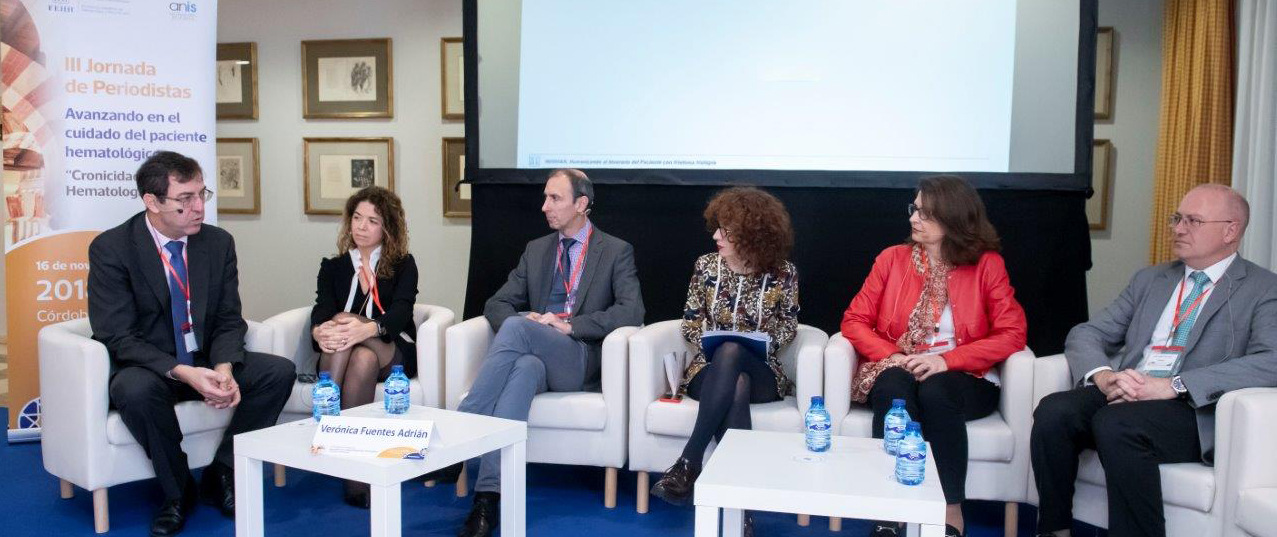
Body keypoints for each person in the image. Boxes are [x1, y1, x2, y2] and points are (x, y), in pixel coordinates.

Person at [1031, 184, 1277, 537]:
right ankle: (1055, 530)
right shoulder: (1151, 279)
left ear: (1230, 231)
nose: (1179, 229)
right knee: (1054, 411)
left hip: (1192, 409)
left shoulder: (1264, 288)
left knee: (1117, 423)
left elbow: (1271, 360)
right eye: (1177, 218)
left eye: (1193, 221)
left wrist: (1173, 385)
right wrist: (1104, 376)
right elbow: (1087, 333)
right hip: (1129, 390)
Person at [88, 151, 295, 537]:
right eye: (185, 199)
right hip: (153, 366)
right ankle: (178, 491)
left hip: (205, 358)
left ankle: (222, 473)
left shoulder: (217, 243)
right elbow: (117, 335)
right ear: (152, 202)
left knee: (277, 372)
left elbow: (229, 318)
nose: (199, 207)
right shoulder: (113, 249)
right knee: (133, 390)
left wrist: (223, 367)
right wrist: (183, 372)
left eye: (202, 194)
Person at [429, 168, 645, 537]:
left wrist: (570, 325)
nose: (545, 206)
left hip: (579, 357)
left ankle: (459, 431)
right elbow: (496, 303)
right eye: (545, 197)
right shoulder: (537, 249)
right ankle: (487, 500)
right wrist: (528, 320)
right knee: (524, 366)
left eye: (554, 198)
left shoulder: (615, 251)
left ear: (582, 204)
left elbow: (632, 311)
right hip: (538, 355)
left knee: (517, 328)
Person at [841, 175, 1027, 537]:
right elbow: (854, 320)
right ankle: (888, 510)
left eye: (925, 213)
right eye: (914, 209)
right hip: (902, 362)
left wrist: (947, 361)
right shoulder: (892, 259)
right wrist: (893, 355)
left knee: (937, 392)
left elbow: (1012, 333)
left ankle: (949, 509)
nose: (913, 219)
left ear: (953, 218)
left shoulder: (987, 265)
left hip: (965, 374)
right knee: (893, 389)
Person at [650, 186, 800, 537]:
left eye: (726, 231)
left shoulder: (784, 273)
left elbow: (789, 326)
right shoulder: (706, 266)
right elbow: (690, 322)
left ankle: (688, 462)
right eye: (717, 228)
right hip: (709, 369)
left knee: (735, 354)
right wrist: (708, 337)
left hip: (764, 371)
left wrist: (760, 342)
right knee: (734, 379)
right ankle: (742, 510)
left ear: (751, 234)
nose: (716, 236)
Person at [309, 186, 418, 508]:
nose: (361, 226)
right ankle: (356, 476)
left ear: (387, 227)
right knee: (362, 359)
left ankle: (327, 419)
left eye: (372, 221)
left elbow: (401, 313)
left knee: (345, 321)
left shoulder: (403, 264)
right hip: (348, 354)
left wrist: (364, 329)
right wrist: (318, 331)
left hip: (391, 349)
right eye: (357, 218)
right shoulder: (333, 267)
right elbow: (321, 310)